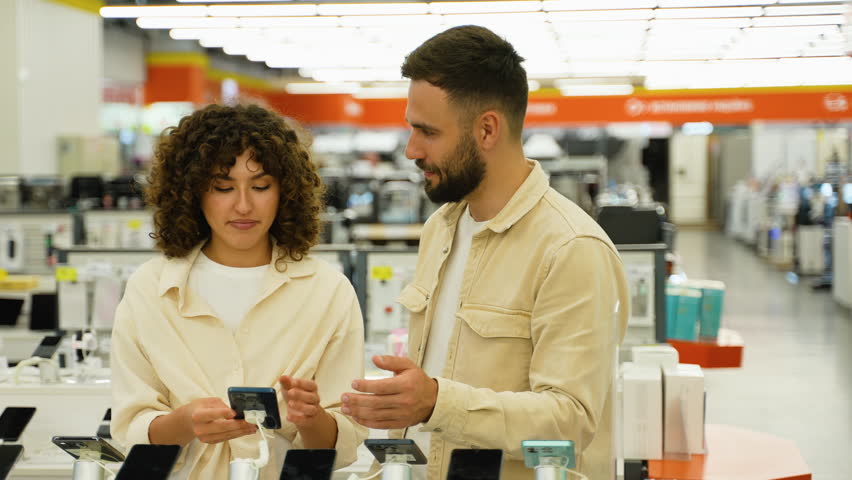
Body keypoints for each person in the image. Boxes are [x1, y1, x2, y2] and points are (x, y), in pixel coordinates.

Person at [340, 26, 629, 480]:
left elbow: (570, 421)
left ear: (487, 129)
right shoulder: (440, 228)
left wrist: (437, 401)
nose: (411, 150)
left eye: (427, 132)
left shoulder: (571, 249)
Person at [110, 104, 367, 479]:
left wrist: (311, 419)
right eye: (223, 187)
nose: (243, 205)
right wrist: (185, 423)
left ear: (286, 191)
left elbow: (342, 444)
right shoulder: (150, 289)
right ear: (192, 193)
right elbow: (129, 431)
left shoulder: (327, 292)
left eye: (261, 186)